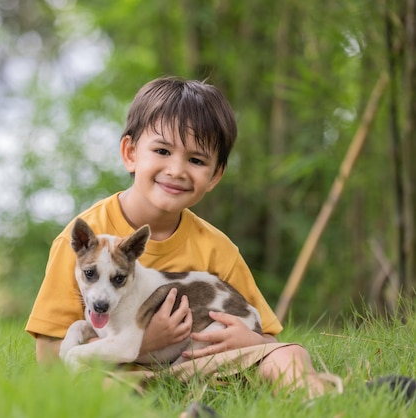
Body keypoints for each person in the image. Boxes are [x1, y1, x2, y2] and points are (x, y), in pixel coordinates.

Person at [25, 75, 340, 399]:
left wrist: (253, 342)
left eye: (196, 160)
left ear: (215, 174)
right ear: (131, 152)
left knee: (290, 355)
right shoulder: (80, 242)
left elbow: (269, 341)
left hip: (214, 369)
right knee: (99, 386)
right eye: (162, 150)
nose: (176, 170)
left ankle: (335, 405)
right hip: (129, 380)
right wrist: (144, 346)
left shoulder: (217, 249)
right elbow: (49, 357)